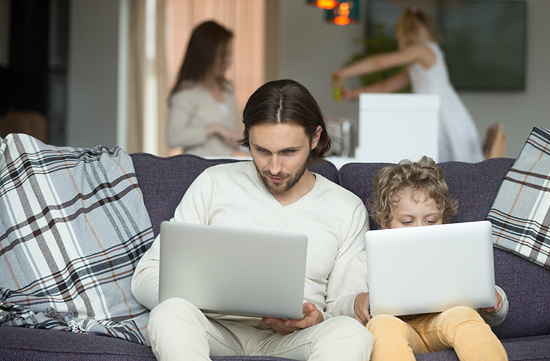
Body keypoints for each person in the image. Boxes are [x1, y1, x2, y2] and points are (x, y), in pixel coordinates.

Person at [132, 79, 374, 361]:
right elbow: (146, 274)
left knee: (351, 333)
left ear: (315, 138)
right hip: (216, 331)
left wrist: (316, 318)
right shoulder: (215, 183)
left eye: (288, 152)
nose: (274, 168)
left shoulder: (346, 208)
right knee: (169, 315)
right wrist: (192, 297)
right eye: (261, 151)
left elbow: (345, 301)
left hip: (296, 340)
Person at [333, 156, 508, 361]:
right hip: (398, 329)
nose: (419, 230)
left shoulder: (454, 253)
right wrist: (357, 300)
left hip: (442, 324)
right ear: (385, 222)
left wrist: (495, 301)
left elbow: (491, 303)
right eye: (407, 221)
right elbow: (337, 308)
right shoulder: (366, 261)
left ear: (443, 219)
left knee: (464, 314)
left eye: (431, 221)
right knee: (381, 324)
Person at [331, 8, 484, 163]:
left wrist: (345, 72)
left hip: (442, 114)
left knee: (448, 161)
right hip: (432, 114)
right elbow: (388, 86)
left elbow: (380, 62)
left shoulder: (423, 50)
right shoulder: (417, 61)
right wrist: (352, 93)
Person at [166, 21, 244, 157]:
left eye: (229, 55)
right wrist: (214, 128)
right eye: (222, 55)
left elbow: (236, 137)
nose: (228, 61)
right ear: (205, 54)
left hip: (225, 169)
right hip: (198, 171)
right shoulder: (187, 93)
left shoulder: (228, 89)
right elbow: (173, 137)